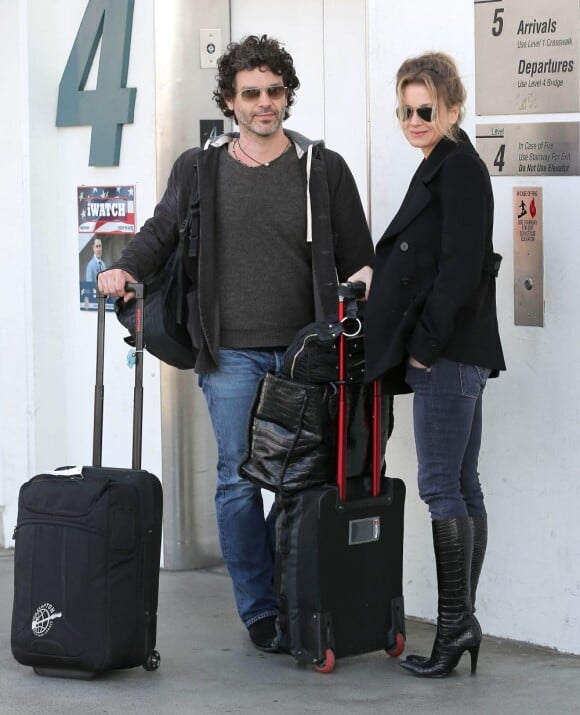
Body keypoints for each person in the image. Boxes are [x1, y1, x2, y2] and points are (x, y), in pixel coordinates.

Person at [97, 34, 374, 653]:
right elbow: (160, 230)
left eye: (275, 91)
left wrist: (362, 287)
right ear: (230, 100)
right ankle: (259, 610)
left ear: (287, 96)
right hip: (229, 355)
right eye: (251, 93)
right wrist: (127, 269)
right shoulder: (201, 168)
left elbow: (361, 258)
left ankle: (282, 581)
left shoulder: (321, 169)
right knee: (238, 480)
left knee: (303, 480)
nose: (264, 103)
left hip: (308, 354)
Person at [364, 52, 505, 678]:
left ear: (452, 108)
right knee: (462, 483)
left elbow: (461, 269)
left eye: (426, 109)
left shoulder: (460, 171)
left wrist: (422, 345)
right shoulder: (444, 167)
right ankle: (462, 622)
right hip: (455, 351)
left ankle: (452, 628)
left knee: (440, 487)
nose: (414, 119)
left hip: (447, 353)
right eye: (405, 109)